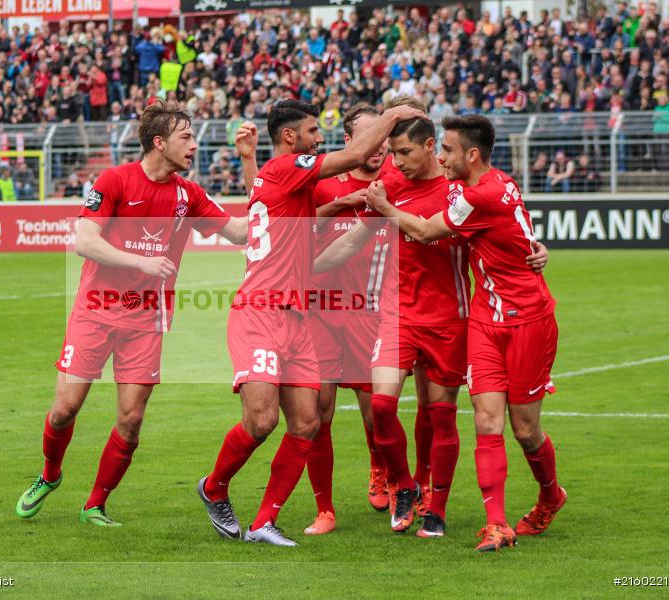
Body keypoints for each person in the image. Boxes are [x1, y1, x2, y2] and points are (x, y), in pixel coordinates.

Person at [197, 99, 424, 546]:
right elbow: (355, 155)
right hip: (261, 311)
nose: (320, 138)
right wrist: (396, 114)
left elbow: (297, 219)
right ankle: (214, 487)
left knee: (306, 422)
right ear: (290, 137)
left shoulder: (284, 182)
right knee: (262, 421)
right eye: (314, 131)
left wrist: (343, 203)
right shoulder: (287, 168)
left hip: (299, 316)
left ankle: (264, 523)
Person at [315, 113, 549, 539]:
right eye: (393, 153)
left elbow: (493, 231)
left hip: (451, 318)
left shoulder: (461, 192)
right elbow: (353, 239)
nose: (396, 161)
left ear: (429, 147)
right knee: (381, 405)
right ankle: (403, 485)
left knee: (441, 416)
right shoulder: (390, 182)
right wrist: (303, 268)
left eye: (404, 152)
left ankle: (436, 508)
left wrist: (536, 249)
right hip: (399, 314)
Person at [14, 101, 248, 527]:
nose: (194, 146)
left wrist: (255, 168)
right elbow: (85, 241)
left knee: (132, 419)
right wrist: (141, 262)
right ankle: (49, 475)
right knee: (65, 408)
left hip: (146, 320)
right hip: (95, 310)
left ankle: (95, 505)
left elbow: (239, 232)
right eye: (186, 137)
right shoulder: (115, 179)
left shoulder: (189, 194)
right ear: (159, 142)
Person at [299, 102, 393, 536]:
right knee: (318, 411)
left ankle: (380, 468)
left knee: (377, 412)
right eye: (368, 136)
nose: (378, 145)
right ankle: (325, 509)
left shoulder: (397, 182)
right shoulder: (323, 184)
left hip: (371, 311)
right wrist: (337, 206)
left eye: (383, 136)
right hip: (320, 310)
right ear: (349, 141)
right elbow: (288, 226)